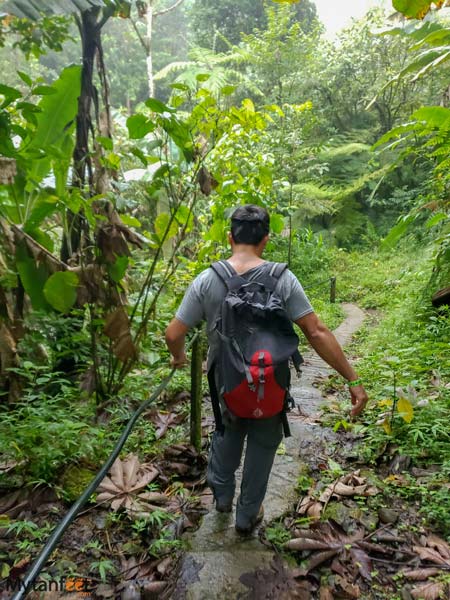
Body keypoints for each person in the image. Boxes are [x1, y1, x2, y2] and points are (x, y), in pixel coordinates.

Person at [165, 204, 368, 534]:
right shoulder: (283, 279)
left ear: (230, 237)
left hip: (226, 386)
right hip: (271, 386)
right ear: (266, 240)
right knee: (261, 447)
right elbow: (315, 331)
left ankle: (221, 498)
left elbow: (174, 333)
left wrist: (178, 357)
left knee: (225, 433)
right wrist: (352, 379)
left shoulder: (208, 279)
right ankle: (246, 518)